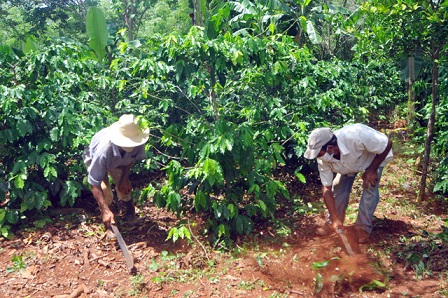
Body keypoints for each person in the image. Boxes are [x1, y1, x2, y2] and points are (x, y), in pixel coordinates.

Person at [304, 123, 393, 244]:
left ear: (330, 147)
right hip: (347, 166)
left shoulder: (356, 135)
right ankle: (334, 222)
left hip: (372, 160)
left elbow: (387, 143)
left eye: (319, 153)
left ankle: (363, 228)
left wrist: (372, 169)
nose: (318, 157)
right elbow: (327, 188)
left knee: (370, 187)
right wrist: (335, 218)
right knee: (338, 187)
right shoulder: (323, 160)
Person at [83, 114, 149, 239]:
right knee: (104, 190)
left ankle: (130, 213)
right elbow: (94, 182)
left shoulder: (138, 141)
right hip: (95, 159)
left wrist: (124, 179)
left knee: (124, 187)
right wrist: (105, 210)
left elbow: (131, 159)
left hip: (118, 162)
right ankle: (108, 221)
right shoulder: (103, 150)